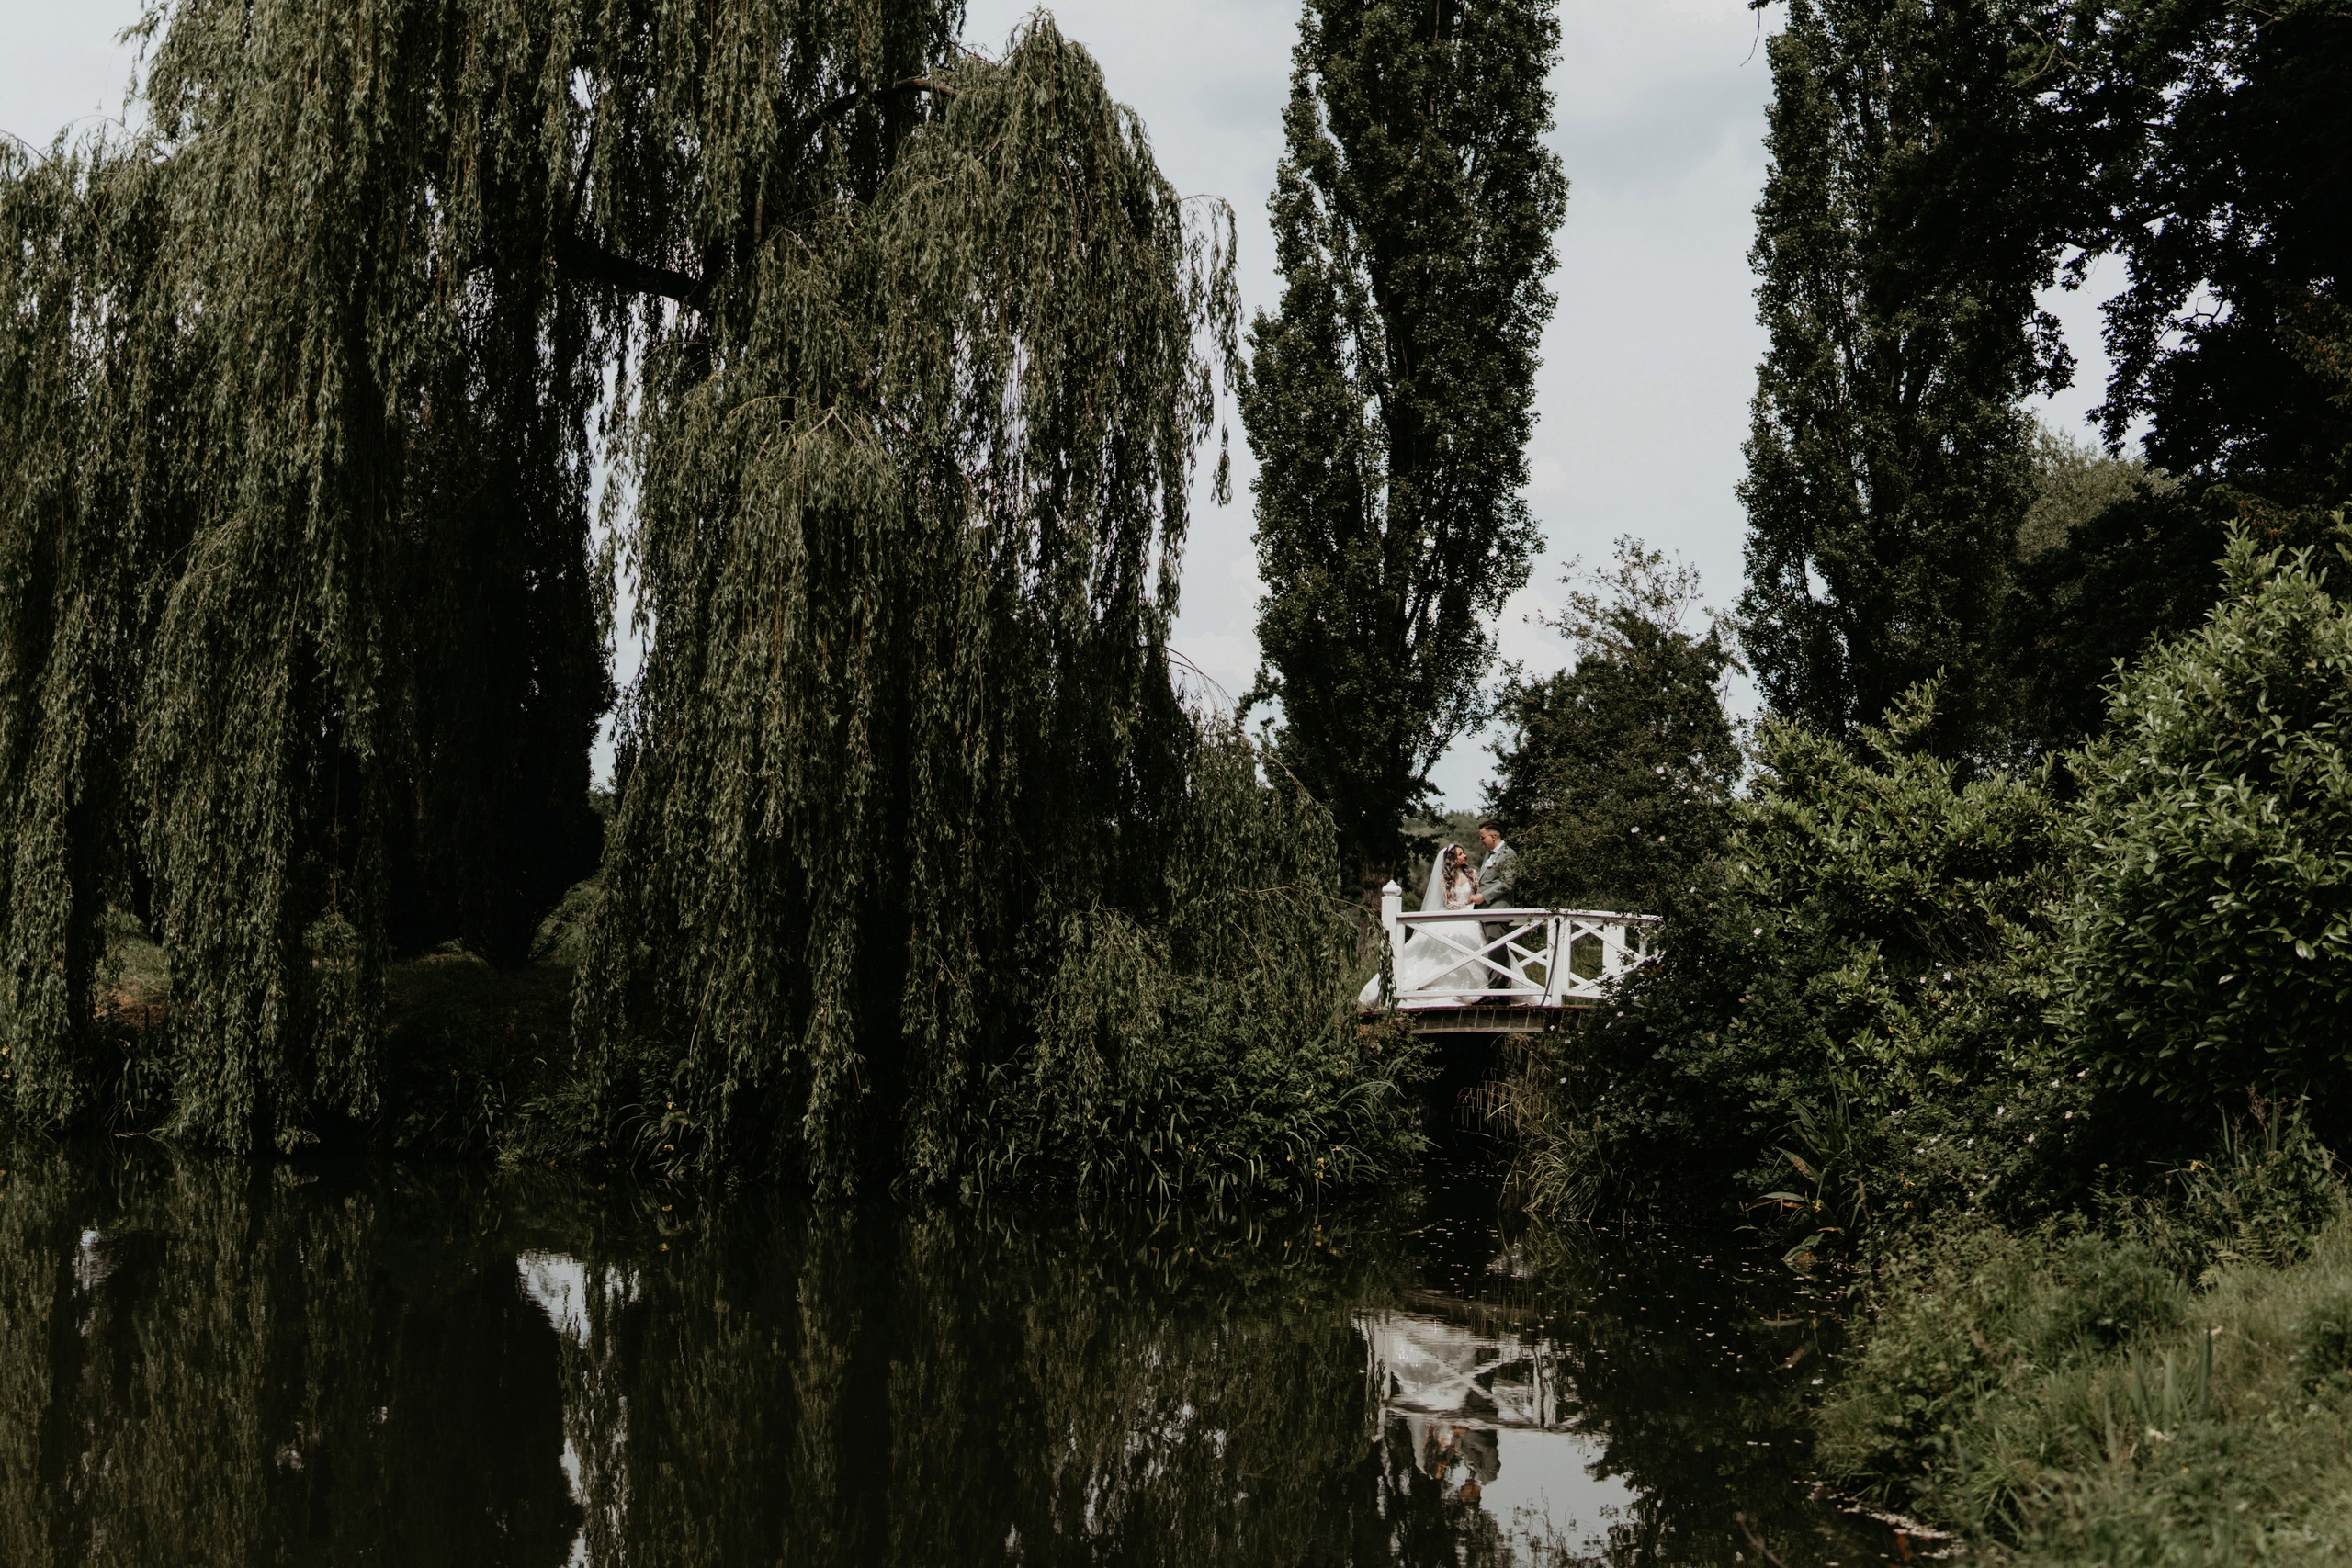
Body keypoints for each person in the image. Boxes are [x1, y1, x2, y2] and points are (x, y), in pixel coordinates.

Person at [1466, 821, 1521, 998]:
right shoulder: (1488, 856)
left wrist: (1484, 896)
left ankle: (1498, 994)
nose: (1481, 841)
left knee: (1497, 951)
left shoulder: (1508, 855)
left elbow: (1508, 883)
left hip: (1497, 911)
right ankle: (1498, 992)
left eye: (1483, 837)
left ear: (1493, 836)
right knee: (1492, 950)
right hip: (1486, 911)